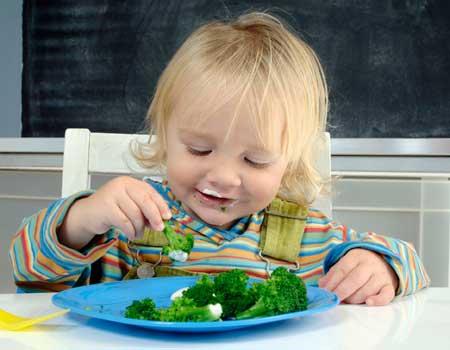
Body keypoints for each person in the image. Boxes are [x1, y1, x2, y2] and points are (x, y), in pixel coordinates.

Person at [10, 12, 429, 305]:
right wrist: (82, 219)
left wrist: (382, 267)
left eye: (257, 160)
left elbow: (412, 261)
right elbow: (30, 274)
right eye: (199, 149)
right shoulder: (126, 225)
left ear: (289, 163)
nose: (224, 177)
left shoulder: (307, 237)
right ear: (165, 137)